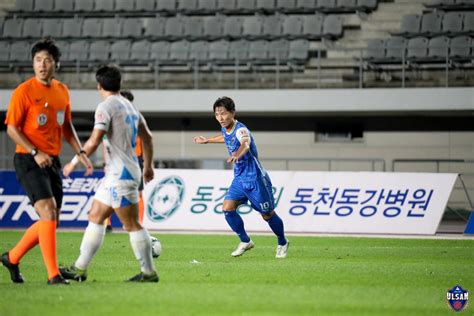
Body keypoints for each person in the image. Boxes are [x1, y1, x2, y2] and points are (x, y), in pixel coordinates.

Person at [2, 38, 93, 285]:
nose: (42, 64)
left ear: (56, 64)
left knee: (52, 218)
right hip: (28, 159)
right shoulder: (23, 91)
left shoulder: (62, 91)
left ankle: (12, 257)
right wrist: (34, 152)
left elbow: (67, 126)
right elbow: (11, 128)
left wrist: (81, 152)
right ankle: (53, 275)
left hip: (51, 161)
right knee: (47, 211)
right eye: (38, 60)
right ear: (33, 63)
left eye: (47, 60)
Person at [59, 65, 158, 282]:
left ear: (99, 85)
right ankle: (79, 269)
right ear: (119, 84)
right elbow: (148, 138)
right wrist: (148, 166)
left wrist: (75, 160)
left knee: (131, 224)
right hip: (123, 171)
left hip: (119, 174)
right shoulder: (131, 107)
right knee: (95, 215)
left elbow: (95, 139)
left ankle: (149, 272)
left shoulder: (105, 107)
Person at [193, 97, 289, 258]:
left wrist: (236, 155)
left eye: (223, 114)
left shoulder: (241, 129)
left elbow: (245, 144)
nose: (220, 118)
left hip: (256, 179)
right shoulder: (226, 129)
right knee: (227, 208)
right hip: (239, 179)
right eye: (217, 114)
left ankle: (282, 242)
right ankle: (245, 241)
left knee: (267, 214)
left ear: (233, 113)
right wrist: (208, 140)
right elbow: (226, 137)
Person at [119, 90, 146, 225]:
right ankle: (107, 225)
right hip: (119, 160)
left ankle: (139, 223)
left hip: (136, 159)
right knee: (114, 192)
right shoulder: (114, 117)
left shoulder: (137, 118)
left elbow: (147, 140)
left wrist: (147, 164)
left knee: (138, 193)